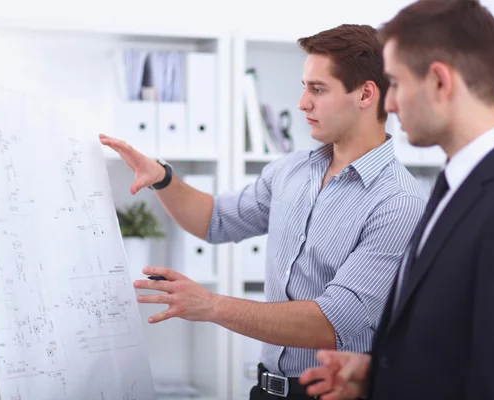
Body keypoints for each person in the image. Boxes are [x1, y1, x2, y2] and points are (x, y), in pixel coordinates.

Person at [101, 24, 426, 400]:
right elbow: (215, 220)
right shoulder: (292, 169)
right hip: (265, 390)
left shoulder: (398, 203)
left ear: (366, 94)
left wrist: (211, 305)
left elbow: (331, 322)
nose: (302, 102)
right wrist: (162, 177)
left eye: (317, 89)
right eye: (305, 86)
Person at [299, 1, 494, 399]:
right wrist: (377, 375)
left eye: (396, 83)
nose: (388, 104)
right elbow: (461, 349)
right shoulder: (456, 186)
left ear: (441, 81)